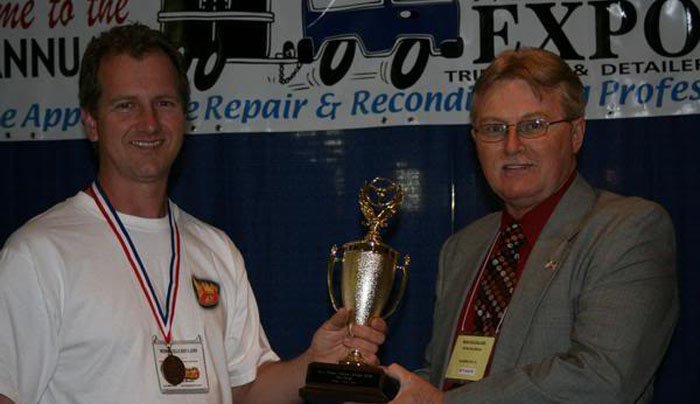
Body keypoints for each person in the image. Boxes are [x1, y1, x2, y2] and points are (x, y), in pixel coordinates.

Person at [0, 23, 385, 404]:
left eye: (164, 103)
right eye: (125, 105)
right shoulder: (38, 255)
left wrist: (312, 363)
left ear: (185, 116)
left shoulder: (216, 249)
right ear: (91, 123)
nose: (149, 122)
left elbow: (247, 390)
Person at [385, 48, 678, 403]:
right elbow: (443, 376)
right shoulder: (462, 248)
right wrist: (384, 392)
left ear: (576, 134)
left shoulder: (628, 230)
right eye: (494, 128)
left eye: (533, 126)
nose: (512, 145)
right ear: (475, 141)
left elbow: (602, 378)